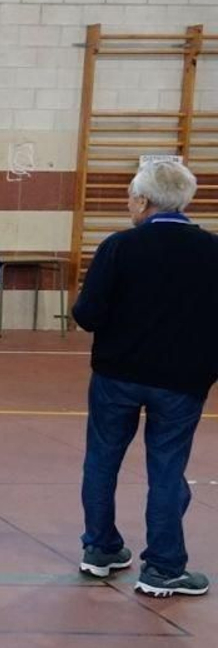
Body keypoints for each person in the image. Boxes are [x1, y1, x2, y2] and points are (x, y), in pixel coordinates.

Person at [72, 159, 218, 598]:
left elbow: (86, 314)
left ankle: (100, 548)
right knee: (167, 469)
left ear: (142, 200)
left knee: (101, 459)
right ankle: (164, 567)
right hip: (183, 380)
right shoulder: (212, 250)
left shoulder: (120, 247)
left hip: (118, 374)